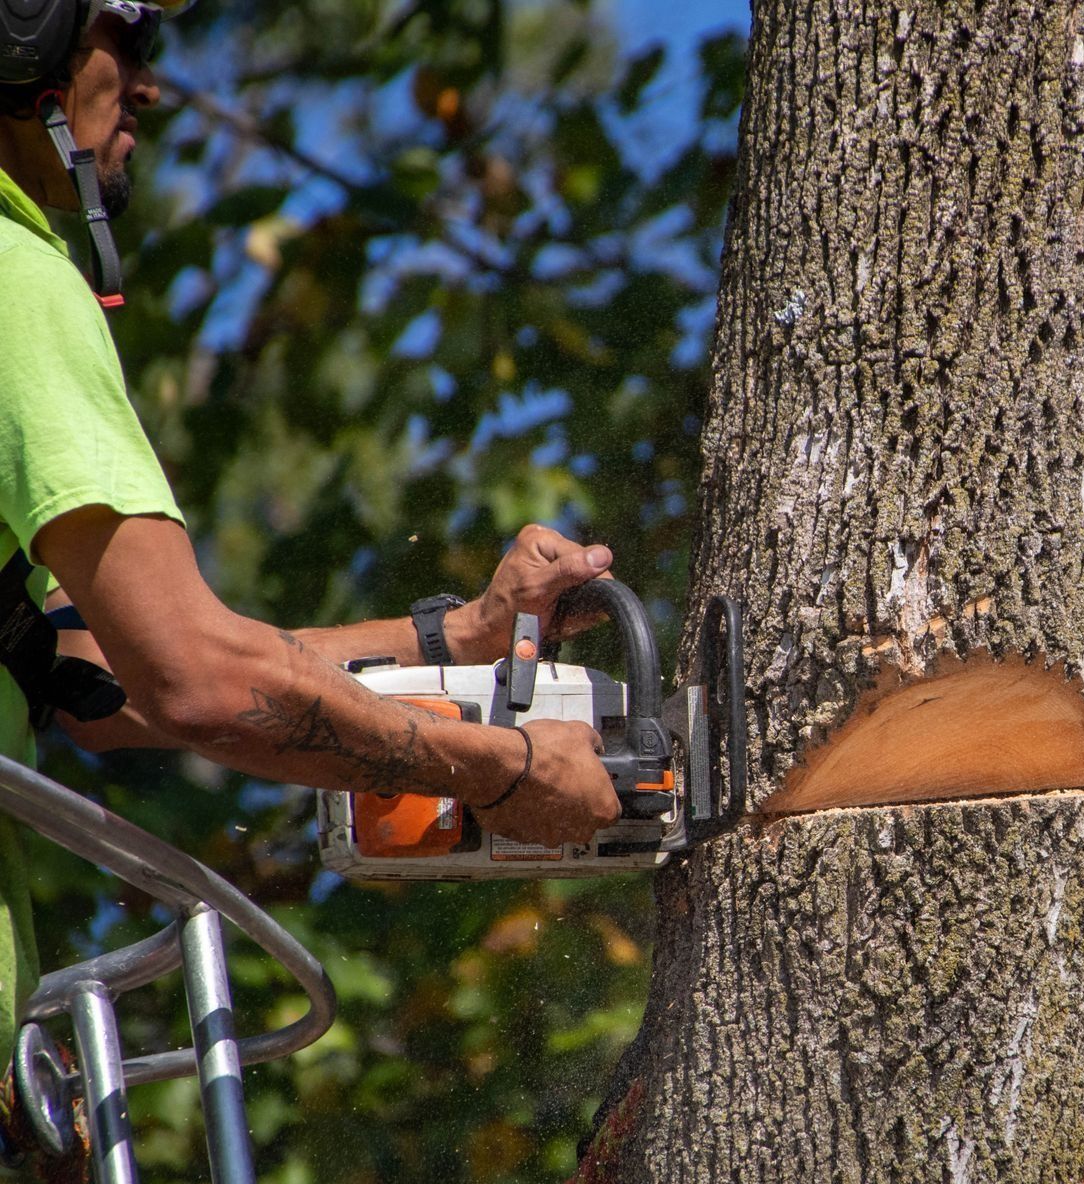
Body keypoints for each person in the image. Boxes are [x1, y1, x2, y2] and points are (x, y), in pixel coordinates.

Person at [0, 0, 622, 1030]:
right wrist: (505, 771)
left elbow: (84, 673)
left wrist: (450, 640)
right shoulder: (18, 283)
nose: (148, 88)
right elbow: (197, 679)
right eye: (131, 43)